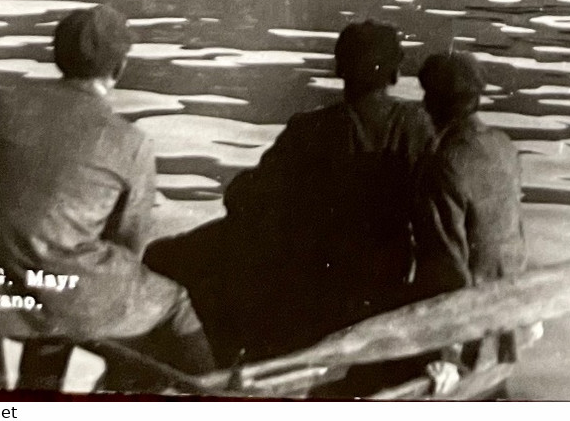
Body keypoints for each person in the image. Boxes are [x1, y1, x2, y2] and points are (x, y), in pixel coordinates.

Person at [0, 6, 215, 391]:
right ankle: (224, 398)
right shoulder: (131, 141)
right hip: (55, 291)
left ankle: (35, 397)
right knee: (174, 303)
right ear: (119, 68)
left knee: (62, 290)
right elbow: (130, 245)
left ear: (56, 54)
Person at [146, 20, 434, 364]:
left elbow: (247, 198)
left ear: (339, 69)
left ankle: (206, 360)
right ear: (395, 74)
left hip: (316, 283)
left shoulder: (309, 129)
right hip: (384, 280)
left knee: (162, 255)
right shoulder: (417, 129)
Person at [410, 51, 528, 395]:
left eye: (428, 97)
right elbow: (511, 233)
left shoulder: (443, 162)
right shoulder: (503, 146)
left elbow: (447, 262)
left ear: (435, 103)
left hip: (468, 325)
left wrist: (447, 353)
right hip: (505, 311)